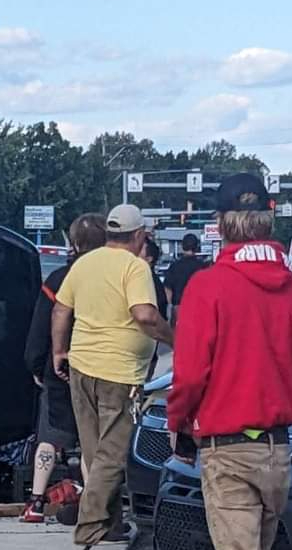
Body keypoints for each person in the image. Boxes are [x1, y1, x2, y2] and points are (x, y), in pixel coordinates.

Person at [167, 174, 292, 550]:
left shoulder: (208, 288)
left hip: (226, 448)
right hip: (275, 450)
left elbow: (190, 376)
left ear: (221, 223)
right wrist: (281, 406)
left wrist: (180, 422)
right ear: (268, 219)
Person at [51, 204, 174, 548]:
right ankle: (90, 526)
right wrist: (178, 339)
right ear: (139, 235)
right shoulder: (135, 267)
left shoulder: (84, 264)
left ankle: (112, 524)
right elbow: (146, 315)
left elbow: (62, 309)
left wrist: (58, 351)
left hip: (81, 367)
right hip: (119, 373)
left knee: (95, 452)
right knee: (114, 455)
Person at [20, 213, 107, 524]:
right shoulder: (111, 278)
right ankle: (92, 505)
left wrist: (35, 363)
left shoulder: (57, 280)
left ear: (74, 243)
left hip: (60, 369)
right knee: (90, 439)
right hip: (100, 368)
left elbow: (41, 326)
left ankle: (36, 502)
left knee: (51, 435)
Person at [140, 238, 169, 381]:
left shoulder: (151, 283)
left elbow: (155, 317)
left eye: (140, 250)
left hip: (142, 356)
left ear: (149, 259)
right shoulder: (138, 279)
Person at [163, 233, 207, 320]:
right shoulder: (203, 267)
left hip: (179, 308)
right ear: (197, 247)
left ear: (182, 246)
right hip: (199, 308)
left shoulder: (174, 266)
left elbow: (168, 291)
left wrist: (169, 311)